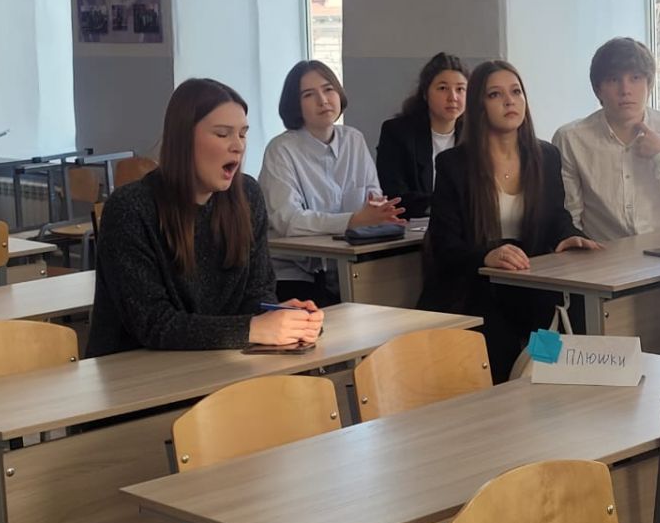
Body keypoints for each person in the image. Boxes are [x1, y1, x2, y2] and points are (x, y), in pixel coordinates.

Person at [88, 78, 323, 356]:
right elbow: (153, 323)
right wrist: (252, 328)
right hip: (135, 372)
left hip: (217, 361)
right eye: (223, 134)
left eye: (243, 134)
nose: (238, 146)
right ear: (183, 140)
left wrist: (278, 316)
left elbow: (257, 292)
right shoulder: (130, 208)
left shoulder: (247, 195)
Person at [421, 60, 599, 382]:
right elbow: (445, 246)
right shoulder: (454, 164)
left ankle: (544, 391)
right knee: (498, 344)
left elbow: (555, 216)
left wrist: (568, 235)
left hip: (529, 284)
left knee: (564, 326)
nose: (509, 101)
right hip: (475, 286)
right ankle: (505, 400)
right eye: (495, 94)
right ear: (479, 106)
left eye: (516, 92)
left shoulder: (545, 156)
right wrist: (486, 255)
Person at [260, 60, 403, 303]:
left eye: (328, 89)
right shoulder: (281, 149)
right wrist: (352, 220)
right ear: (295, 104)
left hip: (347, 265)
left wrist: (378, 215)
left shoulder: (353, 140)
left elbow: (374, 203)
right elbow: (288, 221)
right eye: (309, 94)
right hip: (296, 271)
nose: (323, 100)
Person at [553, 37, 660, 241]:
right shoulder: (571, 139)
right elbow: (568, 222)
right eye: (613, 80)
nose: (625, 90)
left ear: (649, 84)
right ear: (598, 89)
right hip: (600, 255)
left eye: (635, 78)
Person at [376, 52, 469, 218]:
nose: (453, 97)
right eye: (443, 88)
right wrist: (446, 205)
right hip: (412, 227)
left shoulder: (475, 137)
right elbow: (395, 195)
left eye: (460, 89)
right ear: (425, 93)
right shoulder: (397, 133)